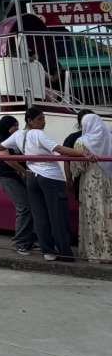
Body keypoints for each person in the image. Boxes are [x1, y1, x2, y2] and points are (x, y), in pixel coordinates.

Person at [0, 107, 93, 263]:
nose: (43, 122)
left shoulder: (18, 135)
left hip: (32, 177)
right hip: (50, 177)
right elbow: (59, 149)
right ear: (30, 121)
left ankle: (48, 251)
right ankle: (64, 252)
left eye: (44, 119)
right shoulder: (38, 134)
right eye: (40, 119)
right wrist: (84, 153)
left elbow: (0, 147)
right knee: (58, 215)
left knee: (40, 215)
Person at [0, 115, 36, 254]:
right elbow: (7, 159)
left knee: (29, 207)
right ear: (6, 126)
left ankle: (27, 241)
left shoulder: (13, 140)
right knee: (24, 207)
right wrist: (24, 172)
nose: (17, 128)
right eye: (14, 126)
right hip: (9, 178)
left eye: (17, 125)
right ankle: (20, 242)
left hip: (17, 177)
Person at [70, 112, 112, 263]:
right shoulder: (110, 139)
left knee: (93, 215)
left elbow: (76, 168)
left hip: (90, 184)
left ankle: (95, 253)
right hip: (109, 182)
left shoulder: (81, 143)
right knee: (108, 214)